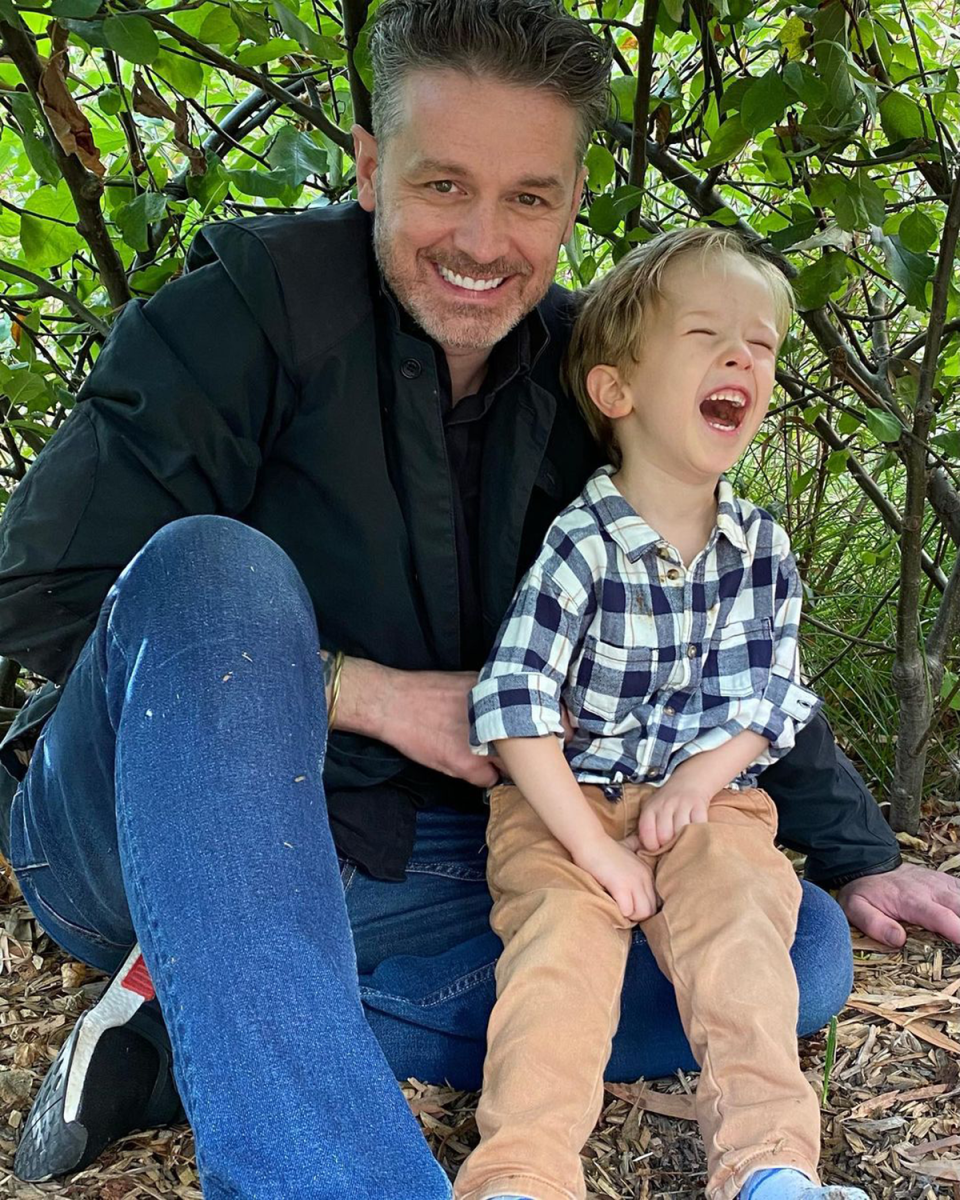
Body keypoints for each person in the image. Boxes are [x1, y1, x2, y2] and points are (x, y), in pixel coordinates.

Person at [0, 0, 954, 1194]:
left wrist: (861, 855)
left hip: (412, 852)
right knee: (218, 570)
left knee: (797, 950)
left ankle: (195, 1019)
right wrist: (362, 692)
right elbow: (38, 593)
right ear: (368, 168)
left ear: (569, 202)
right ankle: (322, 1144)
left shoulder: (580, 376)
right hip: (155, 816)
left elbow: (711, 624)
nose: (484, 240)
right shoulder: (241, 318)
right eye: (444, 185)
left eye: (529, 198)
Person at [455, 229, 869, 1200]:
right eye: (707, 334)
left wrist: (699, 780)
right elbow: (514, 710)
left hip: (707, 805)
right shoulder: (582, 546)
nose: (743, 359)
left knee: (744, 938)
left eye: (761, 346)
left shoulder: (760, 548)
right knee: (557, 963)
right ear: (617, 391)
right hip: (566, 804)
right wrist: (596, 855)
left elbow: (770, 698)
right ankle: (522, 1175)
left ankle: (769, 1168)